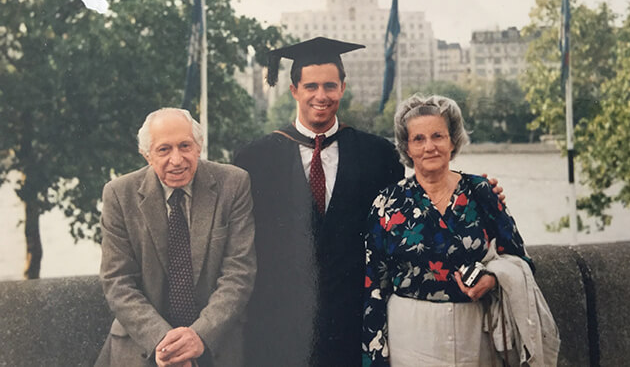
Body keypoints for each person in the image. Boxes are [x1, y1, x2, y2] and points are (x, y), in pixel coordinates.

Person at [234, 37, 505, 366]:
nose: (321, 96)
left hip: (353, 325)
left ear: (343, 87)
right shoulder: (255, 159)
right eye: (311, 86)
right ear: (294, 90)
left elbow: (416, 206)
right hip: (280, 329)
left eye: (330, 86)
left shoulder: (377, 155)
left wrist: (477, 194)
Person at [362, 94, 554, 366]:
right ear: (406, 147)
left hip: (475, 335)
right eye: (419, 139)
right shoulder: (387, 203)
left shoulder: (481, 192)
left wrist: (494, 278)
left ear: (453, 141)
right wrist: (375, 358)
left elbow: (520, 258)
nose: (430, 147)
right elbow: (374, 287)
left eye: (438, 136)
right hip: (410, 339)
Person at [95, 108, 256, 367]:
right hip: (142, 346)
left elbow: (239, 272)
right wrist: (164, 342)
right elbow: (117, 281)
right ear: (146, 155)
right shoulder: (119, 194)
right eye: (163, 150)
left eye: (185, 146)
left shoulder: (234, 184)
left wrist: (199, 335)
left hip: (215, 343)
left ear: (199, 146)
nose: (177, 159)